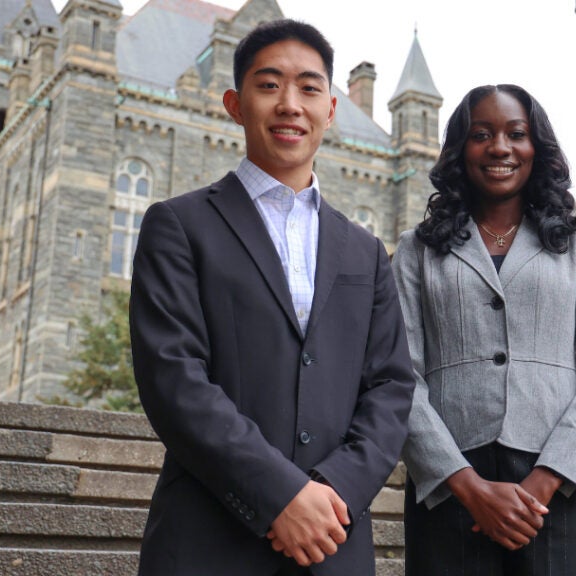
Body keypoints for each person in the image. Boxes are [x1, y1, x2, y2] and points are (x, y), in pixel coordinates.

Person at [129, 19, 415, 576]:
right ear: (235, 105)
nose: (290, 104)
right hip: (209, 542)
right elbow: (173, 377)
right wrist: (280, 496)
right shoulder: (179, 226)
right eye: (269, 85)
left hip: (333, 542)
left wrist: (331, 492)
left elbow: (391, 387)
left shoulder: (365, 252)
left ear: (330, 110)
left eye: (309, 88)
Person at [392, 84, 576, 576]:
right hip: (451, 486)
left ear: (535, 147)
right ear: (460, 150)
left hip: (560, 485)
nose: (500, 147)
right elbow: (398, 376)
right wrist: (465, 484)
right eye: (481, 135)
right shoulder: (417, 250)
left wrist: (546, 480)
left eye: (516, 134)